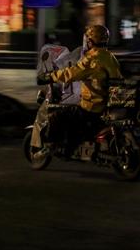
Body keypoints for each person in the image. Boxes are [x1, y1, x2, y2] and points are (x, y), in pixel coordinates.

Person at [36, 25, 122, 156]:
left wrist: (50, 76)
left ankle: (50, 146)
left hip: (92, 106)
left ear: (90, 41)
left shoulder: (93, 59)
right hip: (106, 104)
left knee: (57, 116)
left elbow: (72, 73)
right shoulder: (110, 57)